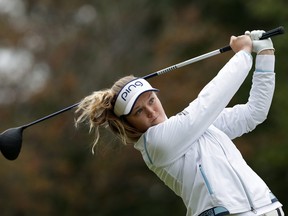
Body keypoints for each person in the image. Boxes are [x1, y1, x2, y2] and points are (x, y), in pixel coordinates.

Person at [75, 30, 284, 216]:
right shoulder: (156, 144)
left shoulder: (197, 126)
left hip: (267, 207)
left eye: (151, 100)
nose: (150, 111)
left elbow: (254, 113)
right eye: (139, 111)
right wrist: (242, 55)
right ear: (128, 123)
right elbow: (208, 102)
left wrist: (265, 54)